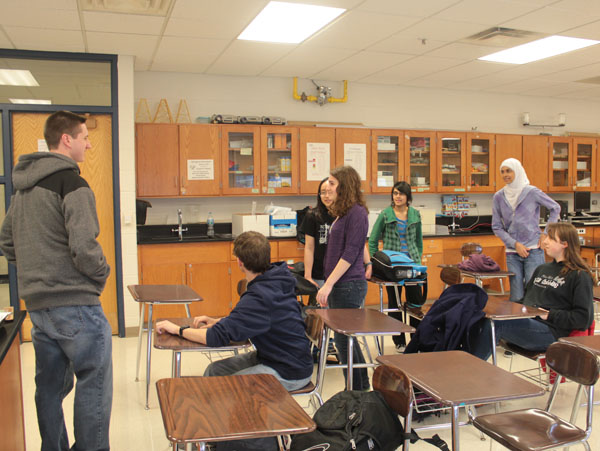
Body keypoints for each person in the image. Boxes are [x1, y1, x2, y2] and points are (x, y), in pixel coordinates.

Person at [0, 111, 112, 451]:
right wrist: (101, 274)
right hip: (76, 304)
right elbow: (83, 247)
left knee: (48, 387)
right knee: (94, 384)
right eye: (84, 137)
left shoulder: (24, 189)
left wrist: (36, 272)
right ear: (67, 139)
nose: (89, 145)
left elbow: (6, 241)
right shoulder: (72, 183)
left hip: (39, 309)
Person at [156, 231, 313, 392]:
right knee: (214, 371)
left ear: (239, 262)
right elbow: (254, 318)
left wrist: (178, 330)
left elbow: (215, 337)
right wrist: (219, 322)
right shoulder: (275, 278)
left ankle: (238, 416)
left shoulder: (260, 296)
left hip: (289, 371)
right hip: (275, 357)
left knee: (227, 387)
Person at [471, 222, 594, 361]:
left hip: (550, 332)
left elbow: (584, 319)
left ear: (565, 244)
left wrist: (550, 315)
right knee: (478, 317)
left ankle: (470, 373)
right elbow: (525, 301)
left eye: (551, 238)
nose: (545, 241)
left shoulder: (578, 275)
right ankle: (461, 366)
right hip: (528, 322)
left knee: (497, 324)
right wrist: (502, 308)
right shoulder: (542, 269)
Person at [316, 166, 370, 391]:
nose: (328, 186)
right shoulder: (344, 213)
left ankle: (357, 389)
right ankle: (358, 387)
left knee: (343, 339)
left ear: (344, 186)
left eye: (332, 182)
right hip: (341, 284)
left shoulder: (357, 213)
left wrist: (328, 284)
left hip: (348, 285)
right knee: (345, 340)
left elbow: (350, 253)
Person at [492, 158, 560, 302]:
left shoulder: (531, 192)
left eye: (508, 171)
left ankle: (536, 323)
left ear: (517, 171)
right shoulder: (498, 196)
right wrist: (515, 244)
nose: (505, 175)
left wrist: (546, 234)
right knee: (516, 296)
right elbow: (496, 226)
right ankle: (518, 324)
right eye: (502, 172)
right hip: (512, 252)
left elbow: (555, 208)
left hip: (533, 249)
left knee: (534, 293)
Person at [368, 181, 424, 351]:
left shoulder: (415, 214)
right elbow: (373, 240)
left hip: (412, 265)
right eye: (395, 193)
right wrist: (375, 262)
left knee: (415, 304)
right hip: (392, 267)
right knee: (395, 304)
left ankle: (417, 339)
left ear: (408, 197)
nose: (397, 197)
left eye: (401, 194)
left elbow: (418, 241)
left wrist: (417, 260)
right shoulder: (386, 214)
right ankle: (399, 340)